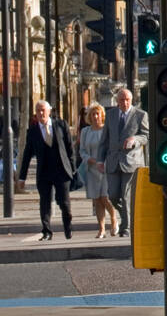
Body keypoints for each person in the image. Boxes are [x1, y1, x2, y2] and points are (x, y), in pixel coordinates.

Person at [16, 100, 77, 241]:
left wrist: (73, 169)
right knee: (45, 202)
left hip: (61, 171)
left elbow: (70, 149)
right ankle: (47, 231)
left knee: (64, 203)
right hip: (44, 172)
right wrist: (22, 177)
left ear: (49, 111)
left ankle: (68, 227)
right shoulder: (32, 131)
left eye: (43, 110)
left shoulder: (61, 125)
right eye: (38, 111)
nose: (41, 113)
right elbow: (26, 154)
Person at [99, 87, 148, 239]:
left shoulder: (140, 115)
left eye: (127, 100)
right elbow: (104, 140)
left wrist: (135, 140)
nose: (125, 102)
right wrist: (100, 160)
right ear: (117, 101)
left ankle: (126, 228)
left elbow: (146, 136)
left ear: (131, 100)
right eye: (122, 100)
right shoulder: (111, 115)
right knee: (112, 195)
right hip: (113, 161)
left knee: (126, 196)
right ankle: (128, 216)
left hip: (131, 162)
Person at [79, 103, 117, 239]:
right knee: (96, 200)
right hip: (91, 169)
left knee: (105, 198)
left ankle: (114, 219)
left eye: (97, 114)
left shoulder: (107, 130)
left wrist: (104, 162)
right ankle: (101, 229)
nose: (95, 117)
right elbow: (82, 150)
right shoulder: (85, 132)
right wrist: (88, 159)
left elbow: (112, 148)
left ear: (102, 116)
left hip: (105, 168)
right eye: (93, 114)